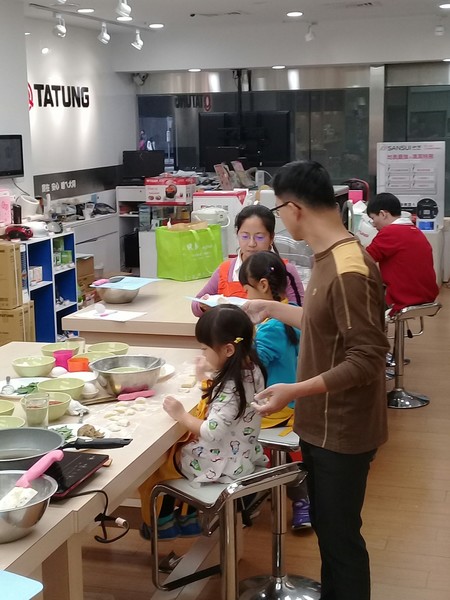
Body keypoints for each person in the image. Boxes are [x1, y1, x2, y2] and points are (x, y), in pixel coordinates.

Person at [243, 160, 390, 600]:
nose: (281, 221)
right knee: (330, 529)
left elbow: (367, 359)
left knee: (341, 540)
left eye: (278, 211)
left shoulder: (347, 269)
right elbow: (325, 324)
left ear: (294, 209)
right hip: (322, 423)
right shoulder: (331, 255)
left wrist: (295, 390)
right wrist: (272, 309)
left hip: (341, 429)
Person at [139, 304, 267, 540]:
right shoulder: (252, 370)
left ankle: (162, 523)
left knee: (162, 461)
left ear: (228, 350)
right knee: (180, 449)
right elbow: (227, 406)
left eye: (205, 348)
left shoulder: (231, 386)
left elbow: (211, 431)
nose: (203, 354)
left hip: (220, 465)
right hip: (243, 455)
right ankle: (188, 518)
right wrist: (204, 378)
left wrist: (181, 414)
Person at [239, 250, 310, 530]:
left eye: (246, 289)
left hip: (278, 410)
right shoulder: (289, 314)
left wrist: (237, 341)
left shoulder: (272, 328)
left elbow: (253, 364)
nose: (244, 295)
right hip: (294, 404)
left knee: (231, 426)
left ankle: (290, 497)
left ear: (263, 286)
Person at [191, 204, 304, 317]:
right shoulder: (225, 270)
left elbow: (301, 313)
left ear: (271, 237)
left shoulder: (285, 270)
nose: (251, 244)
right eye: (245, 236)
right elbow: (196, 305)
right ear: (237, 234)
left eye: (259, 237)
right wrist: (203, 305)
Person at [366, 192, 439, 314]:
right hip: (427, 296)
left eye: (373, 218)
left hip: (402, 299)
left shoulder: (390, 232)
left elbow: (365, 258)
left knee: (357, 297)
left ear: (383, 214)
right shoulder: (415, 230)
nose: (373, 224)